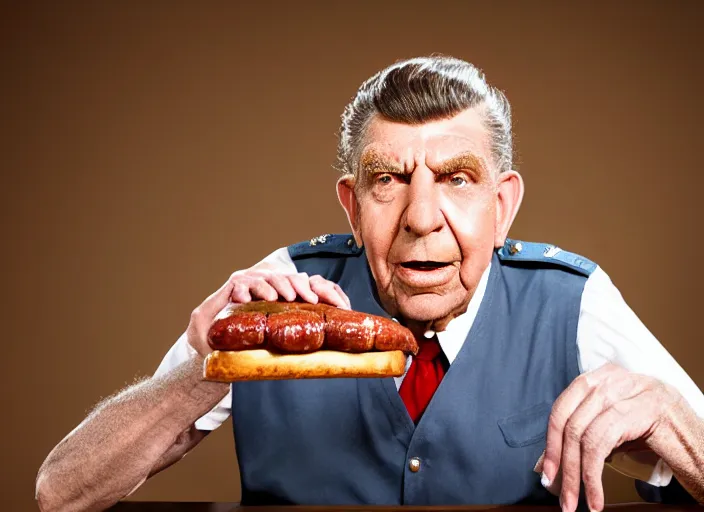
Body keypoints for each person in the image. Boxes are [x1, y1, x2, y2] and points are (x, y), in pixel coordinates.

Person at [35, 56, 704, 511]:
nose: (420, 219)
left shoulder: (572, 301)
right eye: (388, 181)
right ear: (352, 206)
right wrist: (206, 372)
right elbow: (59, 493)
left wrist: (671, 419)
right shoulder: (279, 291)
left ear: (502, 206)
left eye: (456, 179)